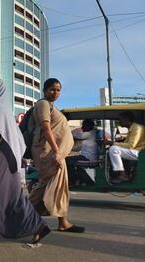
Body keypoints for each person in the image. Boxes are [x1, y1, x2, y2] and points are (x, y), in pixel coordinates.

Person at [0, 78, 50, 244]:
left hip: (0, 160)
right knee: (13, 198)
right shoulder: (4, 109)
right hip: (8, 160)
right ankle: (38, 226)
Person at [29, 78, 85, 233]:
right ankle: (20, 213)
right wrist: (57, 151)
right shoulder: (43, 104)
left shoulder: (51, 106)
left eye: (58, 90)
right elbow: (46, 128)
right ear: (45, 90)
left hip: (55, 154)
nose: (56, 92)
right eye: (52, 89)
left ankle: (63, 221)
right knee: (45, 184)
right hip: (49, 153)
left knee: (59, 186)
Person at [104, 111, 145, 183]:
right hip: (134, 151)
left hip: (139, 153)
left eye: (121, 119)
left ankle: (123, 175)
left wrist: (112, 143)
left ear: (127, 119)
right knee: (112, 149)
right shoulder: (132, 128)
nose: (119, 122)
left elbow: (130, 146)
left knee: (113, 149)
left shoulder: (137, 128)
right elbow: (125, 144)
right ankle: (119, 174)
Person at [67, 119, 99, 186]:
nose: (82, 127)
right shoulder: (89, 136)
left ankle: (72, 181)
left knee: (68, 160)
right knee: (77, 166)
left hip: (88, 158)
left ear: (89, 126)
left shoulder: (90, 133)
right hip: (86, 156)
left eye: (84, 126)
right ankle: (88, 182)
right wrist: (68, 148)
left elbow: (75, 136)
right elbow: (79, 147)